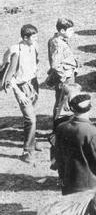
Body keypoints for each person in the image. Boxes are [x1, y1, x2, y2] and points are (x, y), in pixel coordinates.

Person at [53, 93, 96, 194]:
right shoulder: (93, 133)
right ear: (90, 108)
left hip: (68, 185)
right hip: (89, 188)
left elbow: (58, 157)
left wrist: (62, 177)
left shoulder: (61, 127)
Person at [3, 24, 41, 162]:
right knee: (30, 119)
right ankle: (27, 151)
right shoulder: (16, 52)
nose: (36, 39)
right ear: (25, 37)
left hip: (33, 84)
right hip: (21, 87)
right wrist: (19, 93)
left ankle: (32, 141)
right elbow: (9, 76)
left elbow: (35, 62)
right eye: (34, 37)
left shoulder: (34, 46)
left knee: (32, 116)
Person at [47, 18, 79, 125]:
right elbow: (55, 64)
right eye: (70, 30)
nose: (72, 33)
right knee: (61, 103)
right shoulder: (57, 43)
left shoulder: (59, 40)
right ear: (62, 31)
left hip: (67, 75)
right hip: (65, 77)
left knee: (66, 101)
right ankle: (57, 129)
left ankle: (64, 125)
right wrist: (63, 77)